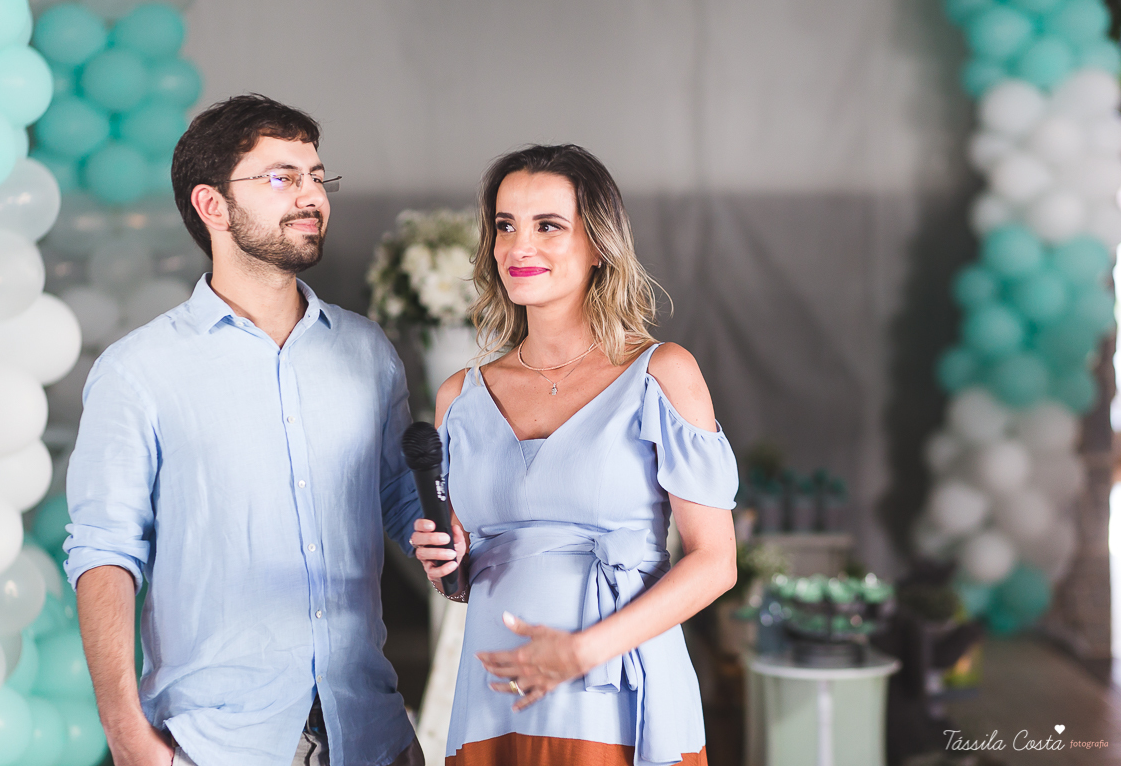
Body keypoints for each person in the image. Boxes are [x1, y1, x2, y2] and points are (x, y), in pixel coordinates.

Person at [64, 94, 425, 766]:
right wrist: (127, 736)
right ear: (212, 206)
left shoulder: (366, 349)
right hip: (220, 744)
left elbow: (403, 504)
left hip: (372, 731)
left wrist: (450, 536)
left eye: (317, 176)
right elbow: (103, 552)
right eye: (282, 177)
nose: (312, 195)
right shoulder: (139, 370)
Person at [411, 144, 739, 765]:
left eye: (548, 226)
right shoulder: (460, 395)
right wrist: (445, 560)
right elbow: (464, 571)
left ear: (599, 245)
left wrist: (580, 653)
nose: (517, 246)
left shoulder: (662, 374)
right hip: (491, 699)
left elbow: (716, 562)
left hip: (613, 693)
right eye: (504, 226)